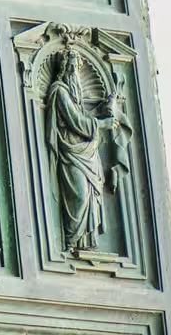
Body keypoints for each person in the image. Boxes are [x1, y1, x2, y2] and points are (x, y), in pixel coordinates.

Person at [47, 51, 120, 254]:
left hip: (87, 151)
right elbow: (76, 121)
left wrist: (104, 110)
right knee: (79, 196)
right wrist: (101, 124)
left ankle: (85, 243)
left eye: (75, 68)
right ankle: (70, 241)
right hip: (71, 151)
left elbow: (82, 117)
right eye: (70, 67)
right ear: (63, 69)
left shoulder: (74, 94)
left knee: (90, 195)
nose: (73, 71)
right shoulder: (59, 91)